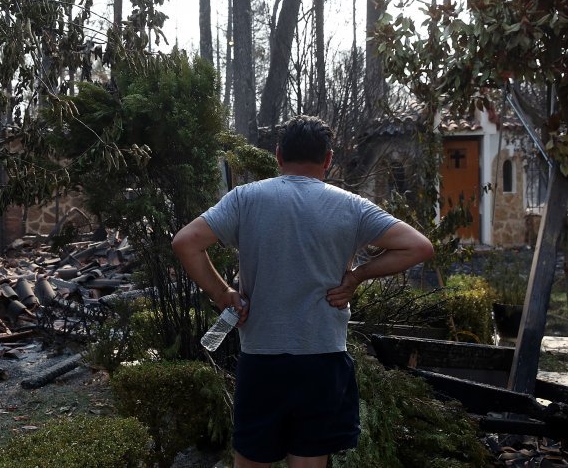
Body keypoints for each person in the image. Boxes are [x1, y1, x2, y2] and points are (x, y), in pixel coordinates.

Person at [172, 115, 434, 468]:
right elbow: (419, 247)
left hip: (262, 359)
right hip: (322, 359)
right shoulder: (351, 206)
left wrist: (223, 294)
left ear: (278, 155)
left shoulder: (245, 199)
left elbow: (186, 242)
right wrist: (357, 276)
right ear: (328, 159)